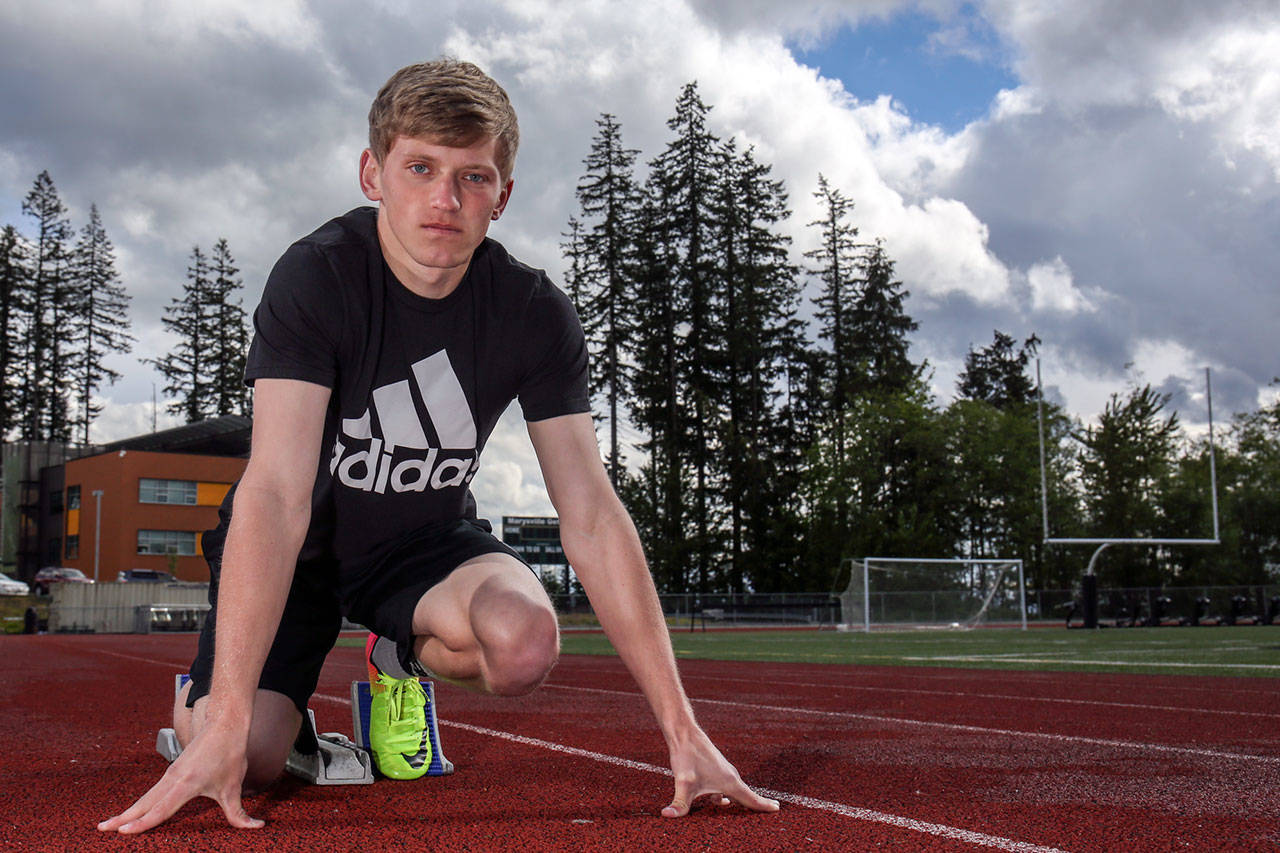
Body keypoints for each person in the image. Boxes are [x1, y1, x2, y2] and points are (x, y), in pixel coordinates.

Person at [99, 58, 778, 834]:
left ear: (504, 194)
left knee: (524, 642)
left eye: (474, 177)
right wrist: (220, 726)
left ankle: (398, 660)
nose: (446, 199)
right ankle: (203, 707)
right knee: (247, 753)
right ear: (373, 173)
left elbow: (589, 509)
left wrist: (683, 731)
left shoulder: (531, 313)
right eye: (420, 167)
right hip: (302, 547)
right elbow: (278, 492)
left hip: (420, 544)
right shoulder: (317, 278)